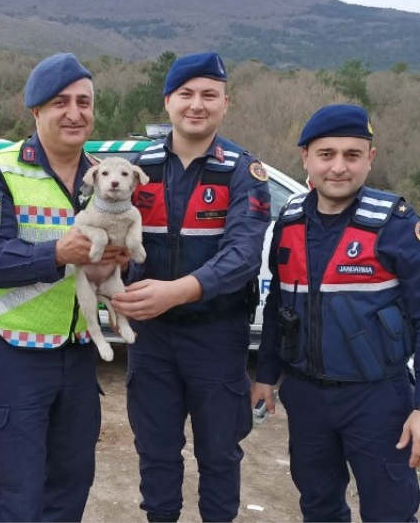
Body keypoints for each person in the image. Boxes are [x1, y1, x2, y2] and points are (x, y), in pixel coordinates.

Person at [250, 104, 420, 522]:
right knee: (319, 506)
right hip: (305, 397)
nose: (338, 167)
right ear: (305, 157)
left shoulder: (396, 224)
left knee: (390, 512)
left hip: (378, 398)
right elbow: (277, 307)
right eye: (326, 154)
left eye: (352, 155)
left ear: (370, 159)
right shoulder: (288, 222)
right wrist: (266, 376)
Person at [0, 53, 129, 522]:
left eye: (84, 102)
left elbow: (116, 255)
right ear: (35, 111)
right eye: (60, 102)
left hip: (77, 356)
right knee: (17, 491)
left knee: (70, 487)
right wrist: (56, 253)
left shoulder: (103, 176)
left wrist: (118, 265)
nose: (75, 113)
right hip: (14, 355)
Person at [111, 51, 272, 522]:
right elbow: (106, 234)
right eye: (186, 94)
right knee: (156, 451)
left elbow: (243, 255)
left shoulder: (243, 170)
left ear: (226, 103)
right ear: (167, 102)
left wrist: (177, 290)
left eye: (209, 95)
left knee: (219, 454)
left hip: (217, 336)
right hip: (151, 338)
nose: (196, 105)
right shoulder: (137, 169)